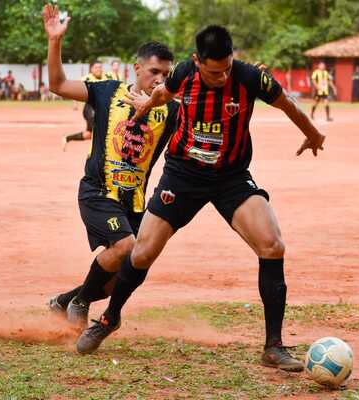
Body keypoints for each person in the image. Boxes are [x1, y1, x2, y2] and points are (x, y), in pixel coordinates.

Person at [75, 25, 326, 373]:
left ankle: (273, 346)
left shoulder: (251, 78)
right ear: (197, 61)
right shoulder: (183, 74)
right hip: (183, 176)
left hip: (231, 178)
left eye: (227, 67)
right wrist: (148, 102)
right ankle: (109, 318)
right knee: (143, 251)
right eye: (213, 70)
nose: (222, 76)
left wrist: (313, 133)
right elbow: (165, 94)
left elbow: (288, 105)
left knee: (273, 245)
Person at [42, 4, 179, 328]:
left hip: (135, 201)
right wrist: (55, 41)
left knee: (124, 277)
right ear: (137, 69)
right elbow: (58, 84)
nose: (159, 79)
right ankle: (80, 301)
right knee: (126, 246)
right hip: (98, 191)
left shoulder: (173, 110)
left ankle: (63, 301)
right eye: (154, 72)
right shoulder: (106, 91)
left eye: (165, 74)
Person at [62, 61, 107, 150]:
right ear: (91, 69)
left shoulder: (105, 78)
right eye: (96, 67)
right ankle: (99, 153)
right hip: (90, 108)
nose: (99, 69)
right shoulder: (86, 79)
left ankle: (67, 138)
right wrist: (75, 103)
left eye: (100, 67)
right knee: (99, 130)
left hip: (100, 108)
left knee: (89, 134)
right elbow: (75, 90)